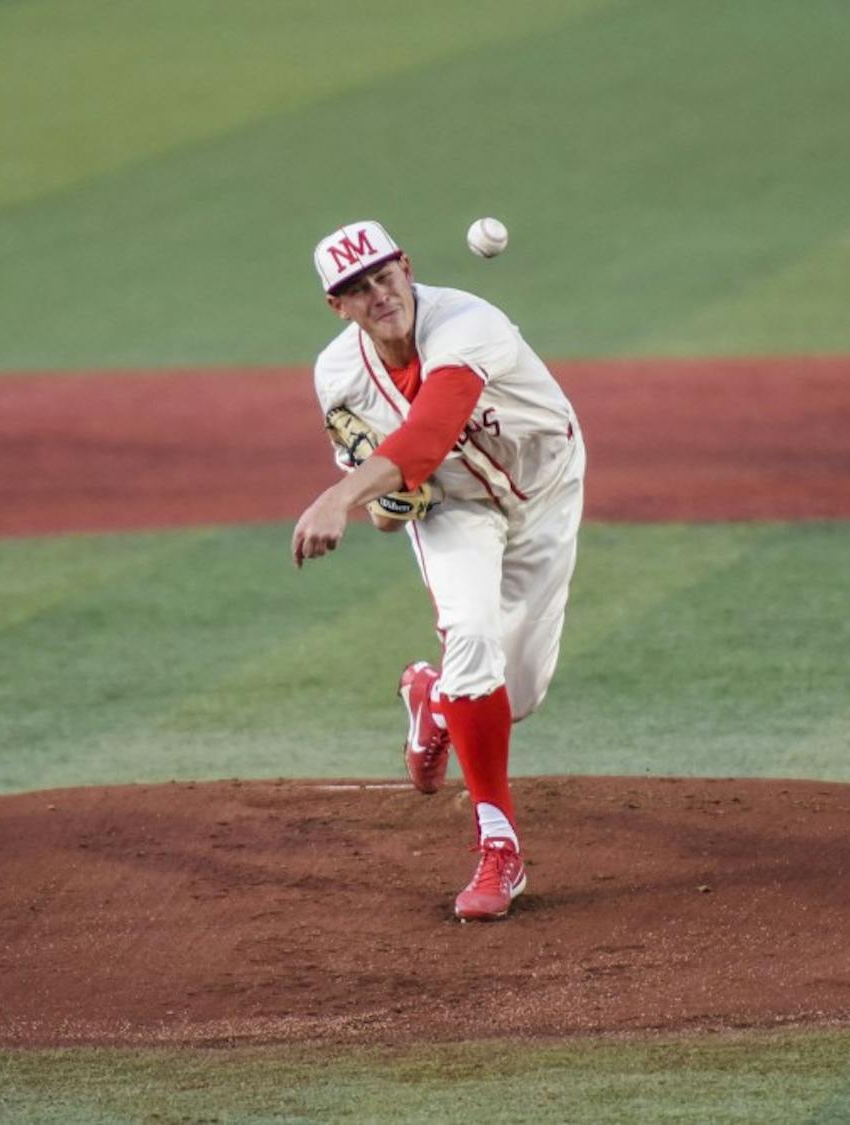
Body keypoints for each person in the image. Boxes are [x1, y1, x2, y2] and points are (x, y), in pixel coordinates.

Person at [291, 220, 585, 921]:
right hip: (454, 509)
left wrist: (339, 496)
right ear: (338, 306)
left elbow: (427, 432)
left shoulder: (468, 322)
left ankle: (434, 696)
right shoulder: (337, 375)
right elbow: (390, 503)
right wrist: (383, 503)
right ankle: (499, 846)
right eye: (356, 290)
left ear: (406, 267)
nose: (378, 295)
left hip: (543, 490)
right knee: (474, 641)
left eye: (384, 276)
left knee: (518, 695)